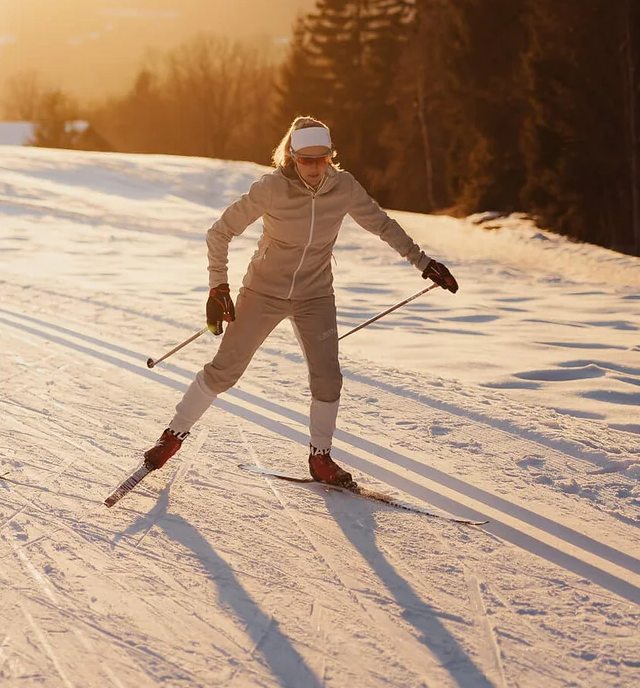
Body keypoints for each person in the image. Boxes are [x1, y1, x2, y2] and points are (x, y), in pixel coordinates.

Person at [138, 116, 458, 485]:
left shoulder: (344, 187)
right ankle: (172, 437)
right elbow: (219, 232)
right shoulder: (271, 188)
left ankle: (320, 458)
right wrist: (218, 288)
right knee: (224, 370)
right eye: (306, 160)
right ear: (292, 157)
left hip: (314, 295)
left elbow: (382, 225)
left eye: (322, 159)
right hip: (263, 291)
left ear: (331, 156)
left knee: (328, 379)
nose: (315, 168)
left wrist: (424, 262)